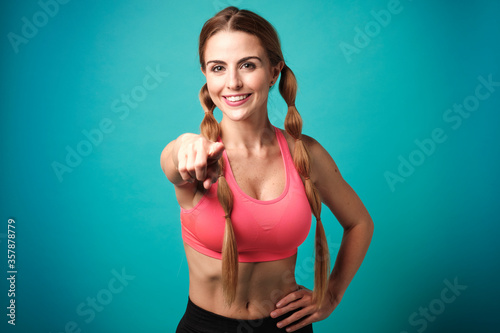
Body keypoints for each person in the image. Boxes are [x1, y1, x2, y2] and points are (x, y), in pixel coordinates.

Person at [160, 6, 373, 333]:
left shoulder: (306, 154)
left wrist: (330, 295)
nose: (232, 82)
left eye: (248, 65)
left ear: (274, 72)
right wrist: (185, 145)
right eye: (218, 68)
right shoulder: (199, 158)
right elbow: (174, 162)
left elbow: (359, 222)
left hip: (287, 327)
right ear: (205, 74)